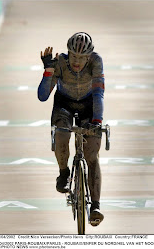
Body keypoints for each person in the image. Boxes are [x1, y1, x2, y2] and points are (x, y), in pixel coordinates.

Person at [38, 32, 105, 226]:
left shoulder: (96, 62)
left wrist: (97, 121)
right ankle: (64, 173)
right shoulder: (60, 62)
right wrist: (48, 71)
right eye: (73, 56)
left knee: (92, 155)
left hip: (89, 104)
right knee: (61, 134)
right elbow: (43, 96)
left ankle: (95, 206)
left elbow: (99, 94)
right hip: (64, 105)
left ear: (89, 56)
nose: (76, 61)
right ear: (67, 53)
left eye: (81, 58)